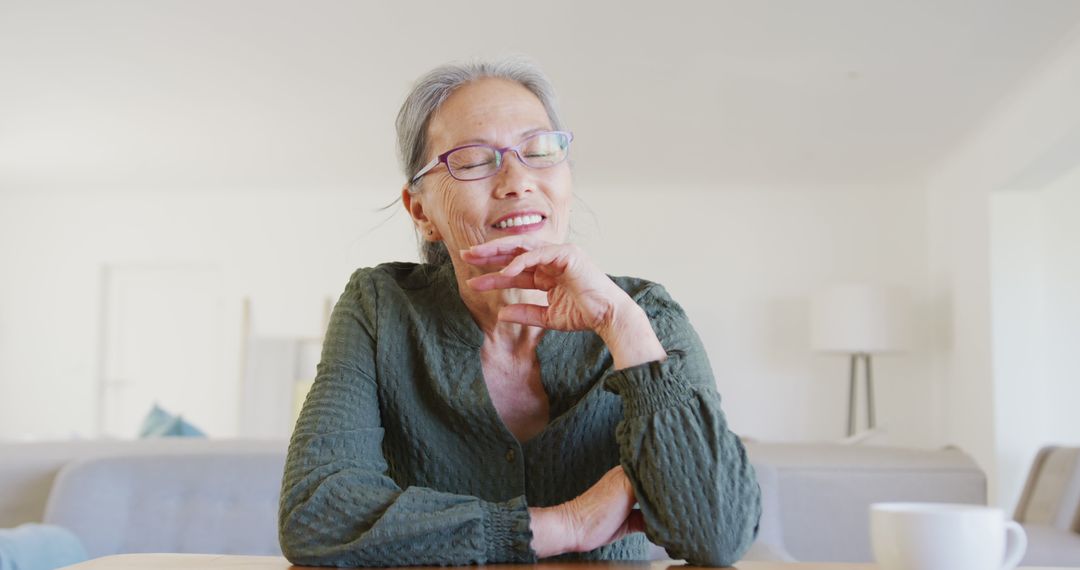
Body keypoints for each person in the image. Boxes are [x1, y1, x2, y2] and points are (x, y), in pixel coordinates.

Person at [277, 57, 761, 567]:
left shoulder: (643, 313)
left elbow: (718, 535)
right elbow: (316, 514)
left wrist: (621, 327)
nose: (517, 180)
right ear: (422, 212)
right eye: (472, 159)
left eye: (539, 150)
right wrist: (562, 526)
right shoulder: (379, 307)